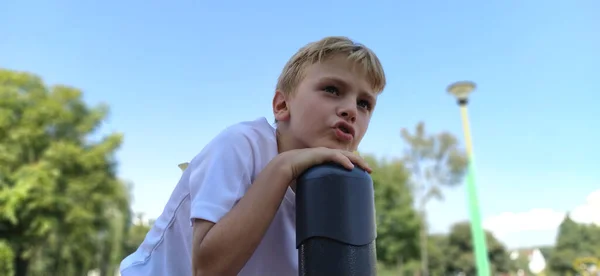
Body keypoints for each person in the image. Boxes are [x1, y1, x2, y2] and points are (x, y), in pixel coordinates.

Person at [119, 36, 387, 276]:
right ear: (282, 105)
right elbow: (208, 270)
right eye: (332, 89)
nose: (351, 109)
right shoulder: (241, 145)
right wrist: (283, 167)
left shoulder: (340, 186)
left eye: (364, 104)